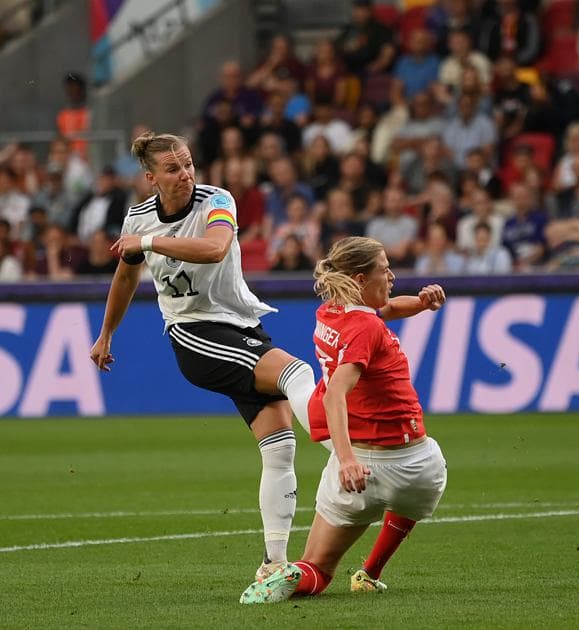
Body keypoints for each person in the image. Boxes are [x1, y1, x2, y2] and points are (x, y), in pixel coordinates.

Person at [88, 132, 445, 589]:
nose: (186, 174)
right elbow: (125, 277)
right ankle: (349, 456)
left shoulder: (216, 200)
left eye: (189, 164)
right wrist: (106, 333)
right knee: (296, 372)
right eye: (173, 169)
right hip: (196, 333)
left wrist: (148, 243)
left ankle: (272, 563)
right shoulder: (138, 218)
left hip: (243, 327)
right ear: (150, 177)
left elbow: (215, 248)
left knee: (279, 446)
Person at [240, 237, 448, 604]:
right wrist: (347, 459)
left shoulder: (329, 313)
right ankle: (370, 572)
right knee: (410, 498)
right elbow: (336, 392)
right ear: (360, 279)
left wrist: (420, 303)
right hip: (418, 468)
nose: (392, 276)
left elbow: (384, 310)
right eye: (385, 270)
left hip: (359, 473)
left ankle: (284, 576)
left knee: (317, 570)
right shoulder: (366, 328)